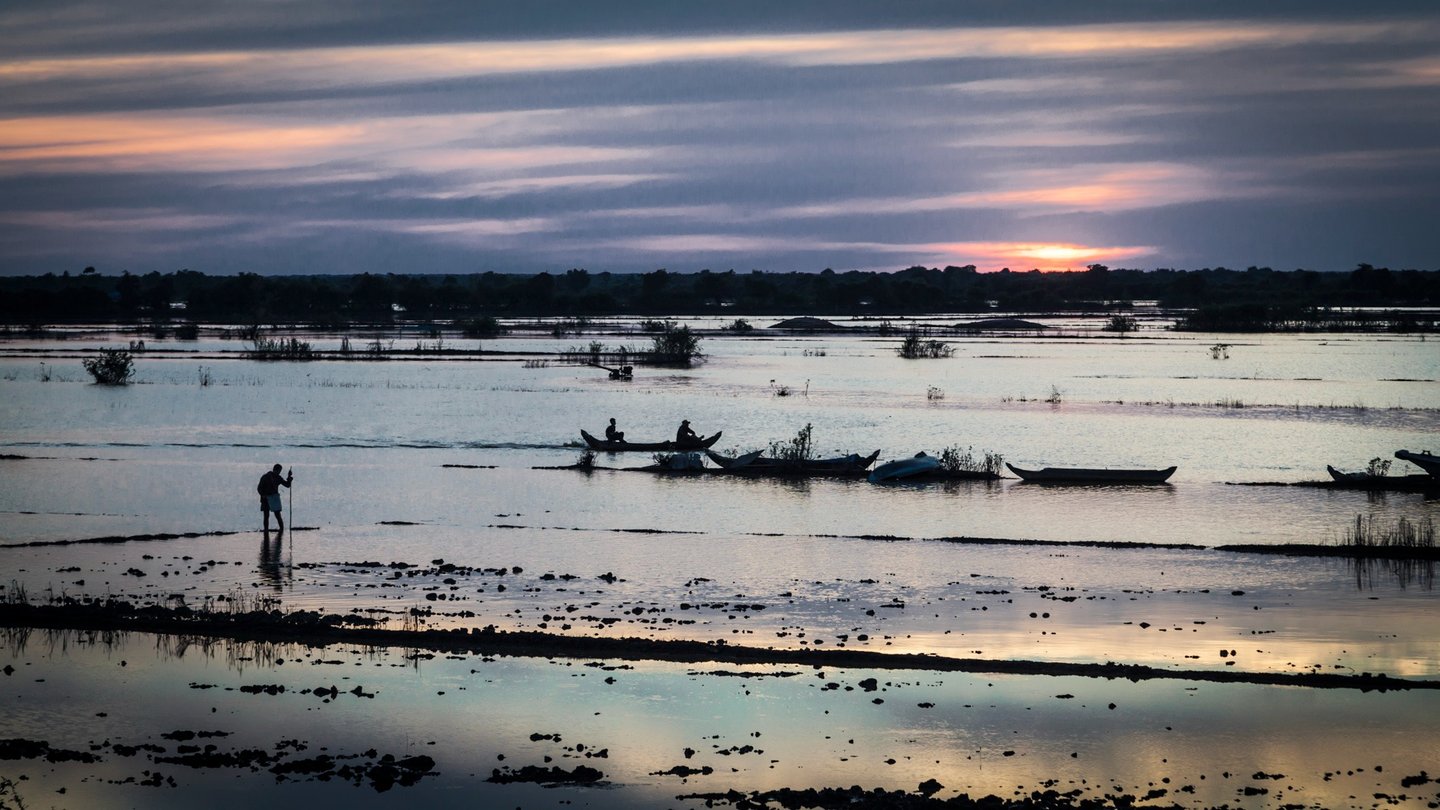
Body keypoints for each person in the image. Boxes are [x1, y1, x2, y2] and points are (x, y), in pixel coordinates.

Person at [257, 463, 293, 535]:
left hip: (274, 499)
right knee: (267, 515)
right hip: (266, 499)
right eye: (279, 471)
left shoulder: (277, 477)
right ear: (275, 470)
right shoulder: (266, 477)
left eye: (280, 471)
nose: (279, 472)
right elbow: (259, 488)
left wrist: (289, 477)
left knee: (276, 515)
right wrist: (263, 495)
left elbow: (287, 485)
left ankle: (281, 530)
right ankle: (266, 530)